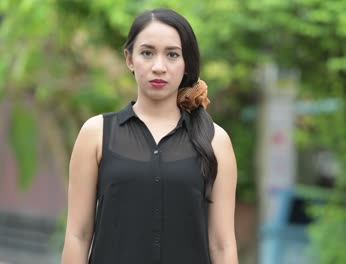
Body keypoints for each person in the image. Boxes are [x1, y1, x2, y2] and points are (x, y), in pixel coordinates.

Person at [61, 8, 238, 264]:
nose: (159, 67)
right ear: (129, 59)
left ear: (186, 62)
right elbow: (78, 235)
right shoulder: (96, 134)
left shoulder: (215, 140)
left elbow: (222, 245)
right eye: (147, 53)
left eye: (172, 55)